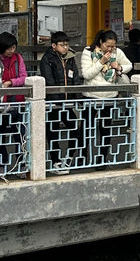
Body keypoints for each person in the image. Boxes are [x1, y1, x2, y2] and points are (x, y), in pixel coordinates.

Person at [81, 30, 132, 167]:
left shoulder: (117, 52)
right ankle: (82, 156)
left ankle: (102, 158)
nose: (110, 49)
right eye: (107, 46)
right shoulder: (88, 52)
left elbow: (129, 65)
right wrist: (101, 62)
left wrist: (119, 67)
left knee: (105, 130)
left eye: (112, 46)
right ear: (100, 42)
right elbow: (86, 74)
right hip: (91, 96)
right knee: (86, 128)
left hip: (110, 96)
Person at [39, 31, 83, 175]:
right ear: (54, 46)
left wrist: (76, 98)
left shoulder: (70, 57)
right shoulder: (47, 59)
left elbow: (75, 77)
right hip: (53, 103)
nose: (65, 47)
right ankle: (55, 161)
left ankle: (68, 158)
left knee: (76, 131)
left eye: (67, 44)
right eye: (62, 45)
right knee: (52, 133)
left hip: (67, 102)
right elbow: (49, 80)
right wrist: (56, 101)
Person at [0, 32, 27, 176]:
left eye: (14, 47)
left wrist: (11, 82)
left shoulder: (18, 58)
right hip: (1, 103)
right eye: (9, 48)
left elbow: (24, 77)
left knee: (20, 134)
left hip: (17, 100)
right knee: (0, 134)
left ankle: (21, 164)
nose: (12, 51)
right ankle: (2, 163)